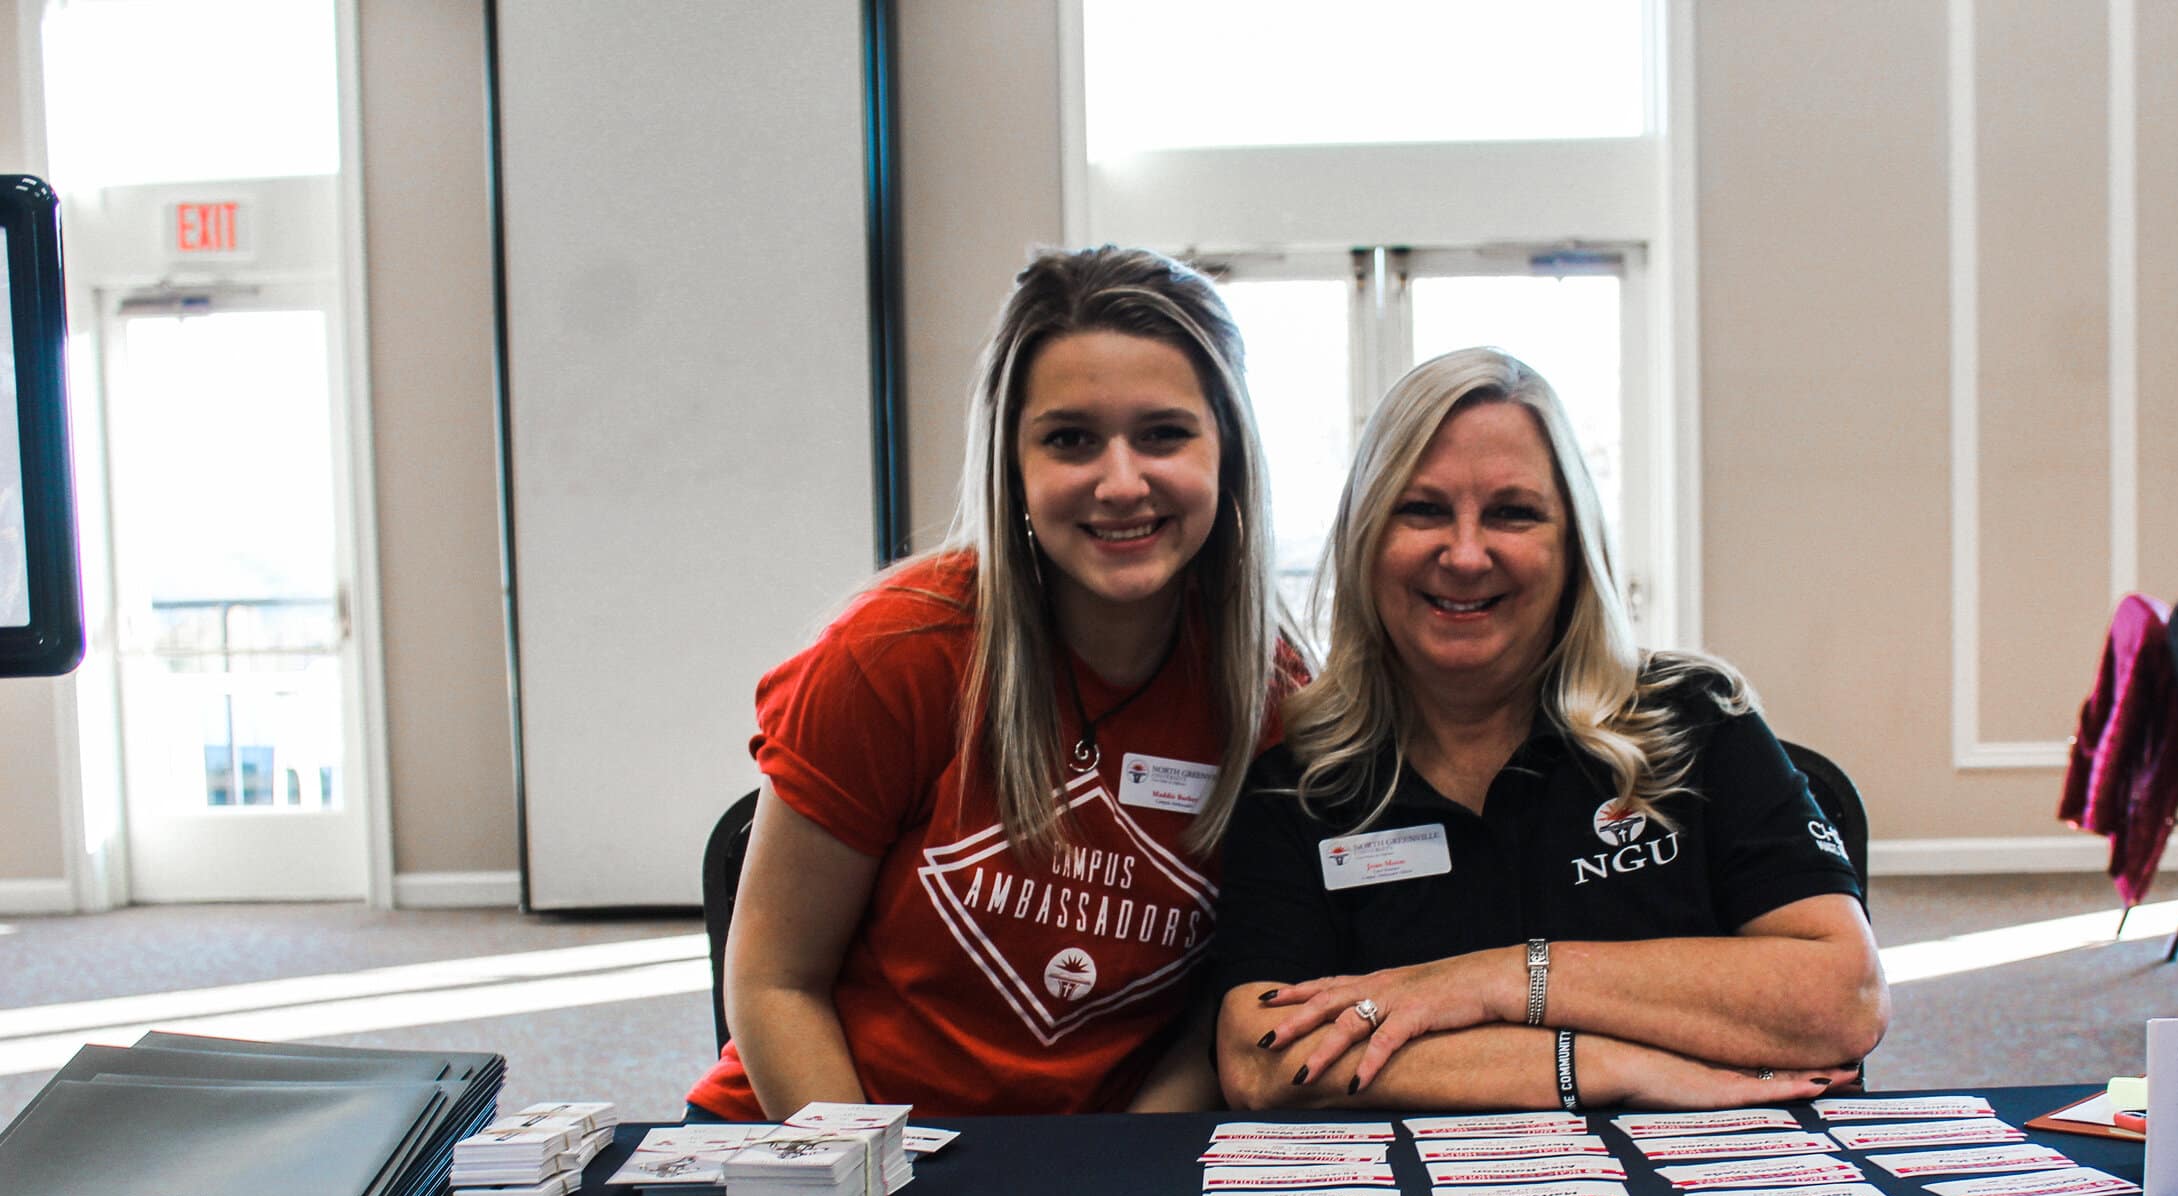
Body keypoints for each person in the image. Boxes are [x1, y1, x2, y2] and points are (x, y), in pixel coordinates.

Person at [689, 246, 1300, 1122]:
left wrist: (1114, 1179)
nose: (1121, 482)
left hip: (1079, 1170)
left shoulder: (1269, 694)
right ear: (1012, 465)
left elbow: (1217, 1013)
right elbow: (775, 980)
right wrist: (874, 1190)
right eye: (1070, 440)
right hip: (822, 1139)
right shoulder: (897, 652)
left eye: (1164, 434)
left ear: (1228, 452)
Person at [1212, 349, 1888, 1112]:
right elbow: (1263, 1059)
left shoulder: (1696, 719)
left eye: (1513, 513)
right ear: (1367, 539)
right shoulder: (1299, 784)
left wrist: (1486, 982)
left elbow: (1845, 999)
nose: (1465, 554)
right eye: (1423, 509)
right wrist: (1603, 1066)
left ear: (1574, 547)